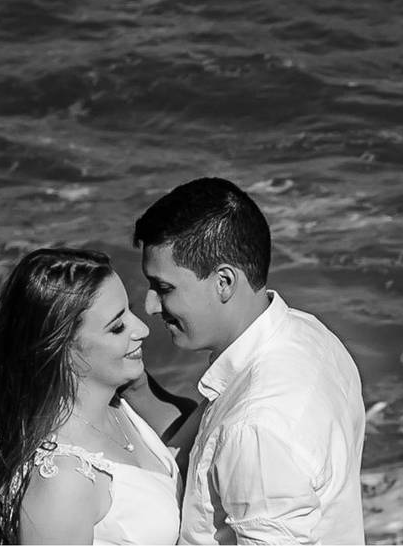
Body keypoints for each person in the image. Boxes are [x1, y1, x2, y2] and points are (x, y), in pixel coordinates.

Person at [131, 177, 367, 545]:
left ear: (224, 281)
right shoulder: (306, 334)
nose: (150, 306)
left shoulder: (255, 425)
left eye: (164, 288)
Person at [0, 248, 181, 545]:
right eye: (117, 327)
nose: (143, 329)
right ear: (63, 351)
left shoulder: (117, 406)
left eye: (130, 311)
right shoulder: (62, 481)